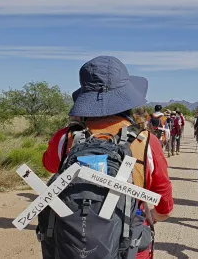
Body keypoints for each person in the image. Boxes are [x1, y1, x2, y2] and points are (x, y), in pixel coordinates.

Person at [41, 56, 174, 259]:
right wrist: (158, 214)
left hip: (71, 243)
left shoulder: (65, 137)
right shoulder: (145, 141)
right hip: (128, 245)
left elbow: (49, 165)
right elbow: (163, 193)